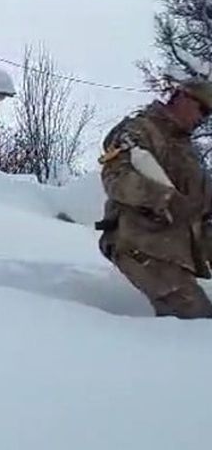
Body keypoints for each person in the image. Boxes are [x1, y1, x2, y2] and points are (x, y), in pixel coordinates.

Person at [98, 77, 212, 319]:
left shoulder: (187, 150)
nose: (203, 118)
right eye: (202, 109)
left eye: (208, 114)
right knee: (194, 317)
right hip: (141, 243)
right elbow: (116, 178)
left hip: (176, 251)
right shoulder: (138, 130)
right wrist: (164, 199)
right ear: (181, 97)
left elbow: (199, 203)